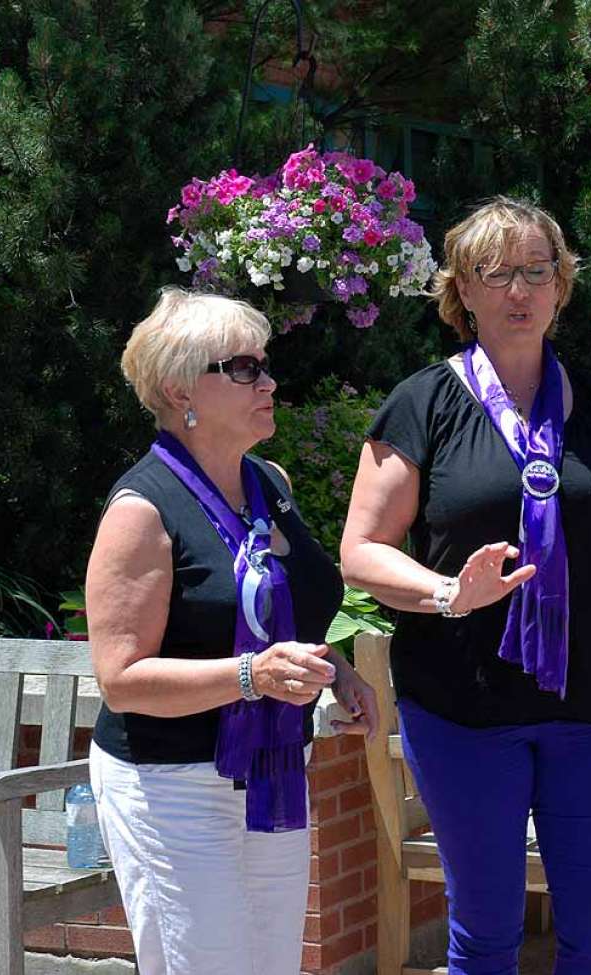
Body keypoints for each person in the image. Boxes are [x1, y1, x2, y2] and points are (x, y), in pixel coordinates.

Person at [339, 196, 591, 975]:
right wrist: (450, 590)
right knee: (485, 934)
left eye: (536, 271)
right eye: (497, 272)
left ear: (560, 287)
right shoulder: (422, 405)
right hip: (463, 711)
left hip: (590, 707)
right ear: (463, 292)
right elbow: (361, 552)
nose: (520, 289)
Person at [86, 288, 379, 975]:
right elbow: (121, 679)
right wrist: (253, 676)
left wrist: (336, 670)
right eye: (243, 368)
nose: (269, 381)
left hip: (270, 769)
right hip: (172, 783)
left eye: (265, 364)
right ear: (178, 387)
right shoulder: (142, 509)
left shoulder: (266, 481)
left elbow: (276, 612)